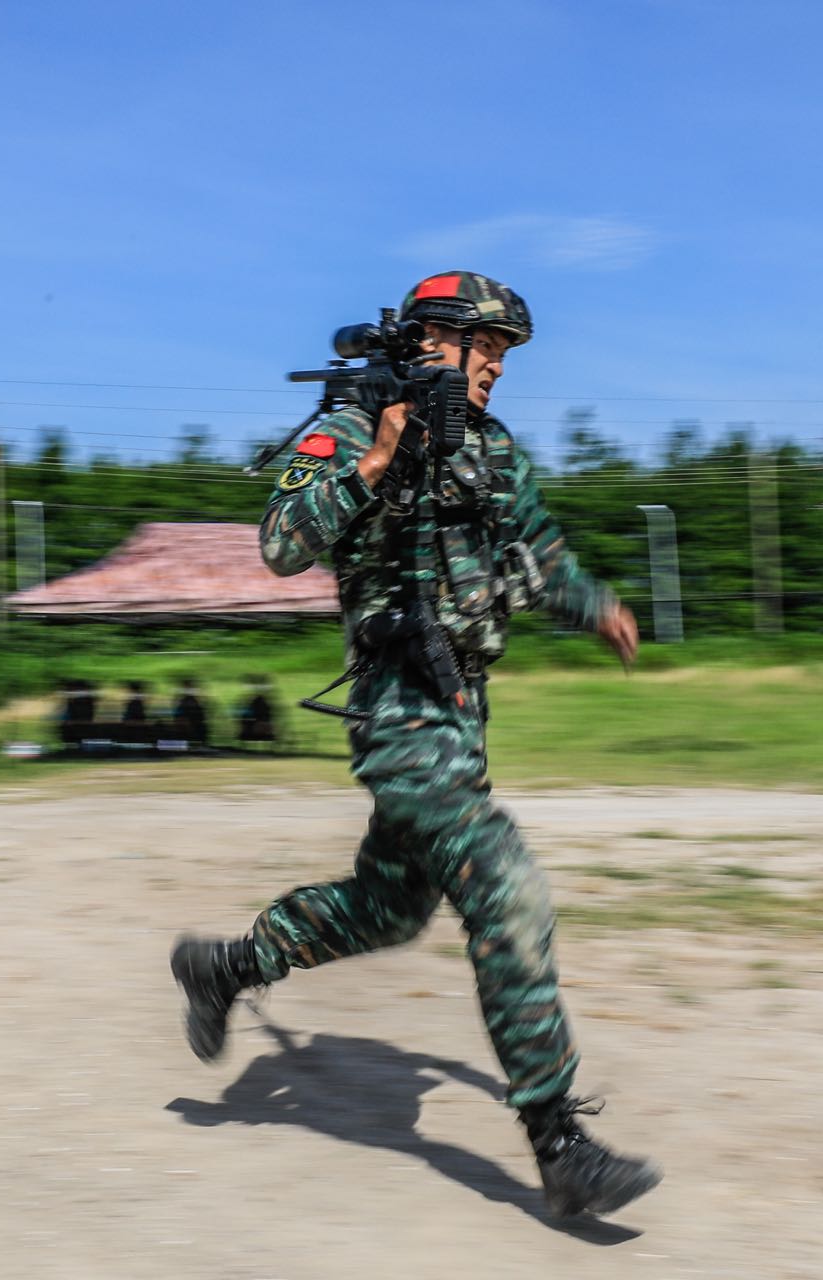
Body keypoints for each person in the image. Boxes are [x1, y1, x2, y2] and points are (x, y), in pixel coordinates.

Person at [170, 271, 657, 1219]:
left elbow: (540, 550)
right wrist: (379, 456)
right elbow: (279, 543)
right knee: (504, 885)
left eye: (508, 357)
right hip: (398, 709)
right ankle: (559, 1143)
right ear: (433, 341)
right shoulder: (353, 424)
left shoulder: (491, 447)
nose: (497, 371)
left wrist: (597, 607)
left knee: (386, 911)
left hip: (461, 712)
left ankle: (226, 967)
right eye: (487, 350)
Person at [170, 676, 209, 749]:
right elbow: (178, 716)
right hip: (188, 728)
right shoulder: (185, 701)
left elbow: (201, 715)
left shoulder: (192, 701)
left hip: (193, 727)